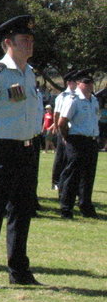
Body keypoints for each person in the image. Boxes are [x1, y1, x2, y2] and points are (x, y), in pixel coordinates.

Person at [0, 14, 44, 287]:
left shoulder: (29, 72)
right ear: (8, 43)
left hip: (27, 149)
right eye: (24, 40)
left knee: (21, 212)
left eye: (31, 40)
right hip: (1, 150)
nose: (29, 44)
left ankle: (19, 271)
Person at [57, 70, 100, 219]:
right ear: (78, 84)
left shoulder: (94, 100)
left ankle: (85, 206)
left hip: (91, 140)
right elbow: (62, 122)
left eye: (91, 82)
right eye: (86, 82)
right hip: (76, 140)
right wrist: (66, 138)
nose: (89, 85)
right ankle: (66, 208)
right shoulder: (73, 99)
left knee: (88, 176)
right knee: (72, 175)